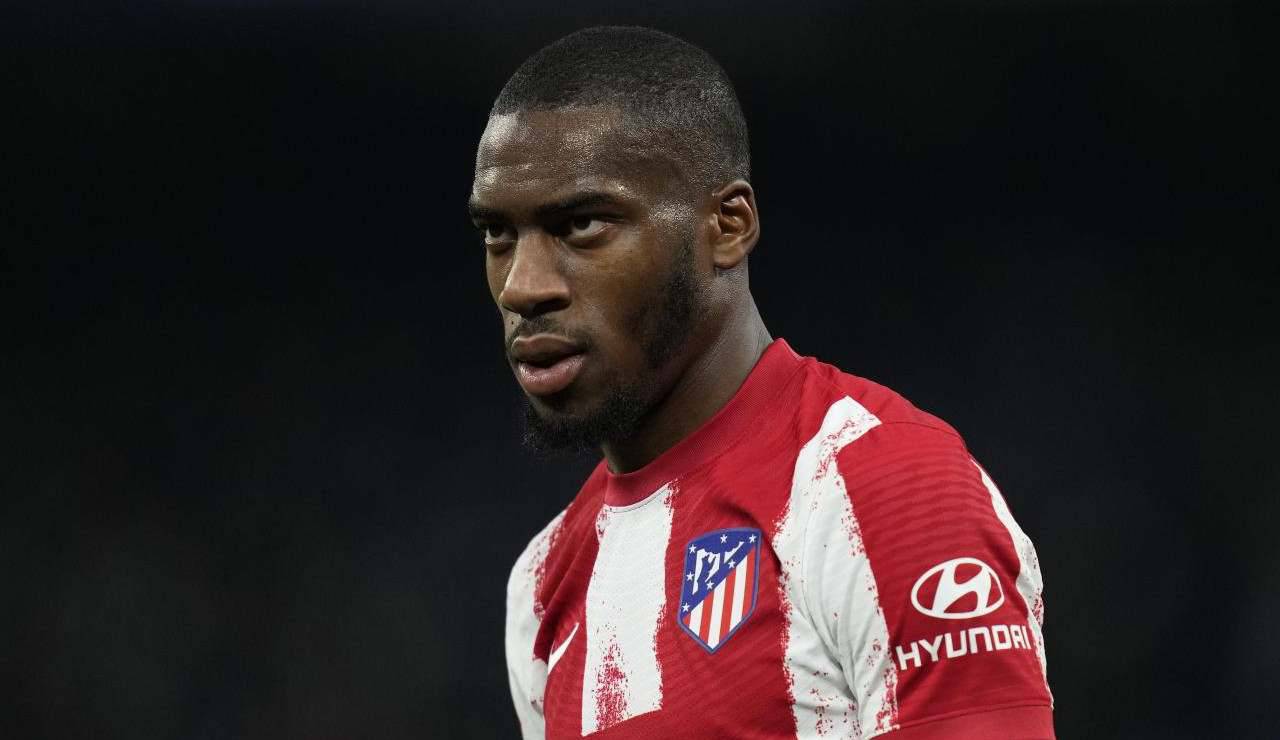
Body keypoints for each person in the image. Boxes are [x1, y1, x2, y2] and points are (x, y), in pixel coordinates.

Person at [470, 25, 1054, 740]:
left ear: (727, 225)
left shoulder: (883, 491)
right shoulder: (542, 583)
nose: (522, 286)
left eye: (582, 224)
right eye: (498, 236)